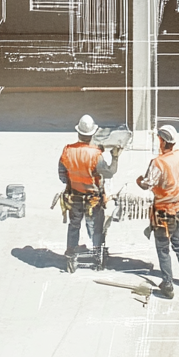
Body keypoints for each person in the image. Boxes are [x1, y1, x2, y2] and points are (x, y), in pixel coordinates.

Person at [58, 114, 121, 272]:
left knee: (74, 227)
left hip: (74, 197)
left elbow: (62, 175)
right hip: (93, 199)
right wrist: (115, 158)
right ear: (91, 134)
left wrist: (74, 181)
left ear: (79, 133)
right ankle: (97, 259)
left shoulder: (67, 151)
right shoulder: (95, 155)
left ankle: (71, 260)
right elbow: (109, 173)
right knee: (95, 228)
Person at [137, 125, 179, 298]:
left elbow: (147, 183)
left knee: (163, 248)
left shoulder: (158, 163)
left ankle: (168, 284)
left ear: (162, 140)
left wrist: (139, 180)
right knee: (178, 243)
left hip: (164, 213)